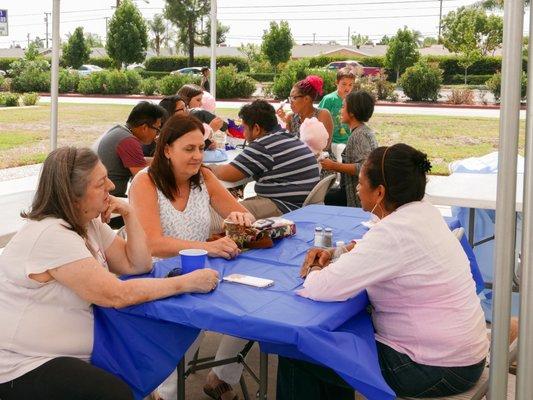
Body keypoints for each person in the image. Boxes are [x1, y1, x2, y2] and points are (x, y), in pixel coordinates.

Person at [0, 147, 219, 400]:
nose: (112, 186)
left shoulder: (87, 223)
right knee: (114, 394)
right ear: (74, 197)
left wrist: (129, 213)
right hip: (21, 366)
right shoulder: (51, 234)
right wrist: (187, 283)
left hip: (61, 356)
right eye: (101, 183)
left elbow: (137, 264)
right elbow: (117, 295)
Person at [277, 144, 489, 399]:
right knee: (336, 341)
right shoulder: (424, 213)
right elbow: (380, 249)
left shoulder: (393, 233)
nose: (356, 187)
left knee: (301, 351)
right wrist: (338, 252)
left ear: (379, 192)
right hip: (463, 356)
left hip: (432, 367)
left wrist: (313, 266)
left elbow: (320, 288)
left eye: (361, 181)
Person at [129, 115, 255, 400]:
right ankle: (164, 392)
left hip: (199, 271)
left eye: (201, 147)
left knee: (251, 304)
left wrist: (239, 219)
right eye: (189, 149)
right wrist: (207, 248)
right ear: (167, 150)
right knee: (187, 331)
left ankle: (221, 377)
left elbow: (244, 215)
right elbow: (152, 244)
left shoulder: (205, 177)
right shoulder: (145, 182)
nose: (198, 155)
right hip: (156, 276)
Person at [208, 100, 320, 219]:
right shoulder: (287, 136)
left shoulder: (263, 145)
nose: (244, 134)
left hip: (285, 208)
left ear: (256, 128)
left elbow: (228, 174)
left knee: (218, 216)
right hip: (304, 206)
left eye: (244, 128)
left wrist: (205, 168)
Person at [94, 101, 166, 197]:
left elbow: (140, 160)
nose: (157, 134)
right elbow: (143, 180)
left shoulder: (119, 131)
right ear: (144, 128)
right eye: (157, 129)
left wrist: (167, 160)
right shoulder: (129, 141)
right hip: (109, 198)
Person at [323, 90, 378, 207]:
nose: (340, 111)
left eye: (343, 107)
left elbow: (364, 167)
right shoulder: (360, 132)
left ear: (352, 112)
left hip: (357, 203)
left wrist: (333, 166)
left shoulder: (359, 135)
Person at [276, 75, 333, 146]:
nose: (290, 101)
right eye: (290, 98)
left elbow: (325, 146)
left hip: (322, 156)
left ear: (306, 99)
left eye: (294, 98)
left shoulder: (322, 115)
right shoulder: (290, 117)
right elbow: (287, 145)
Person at [318, 67, 356, 161]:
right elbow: (319, 119)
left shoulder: (352, 100)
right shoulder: (329, 99)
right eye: (344, 84)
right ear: (336, 83)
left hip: (347, 141)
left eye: (350, 84)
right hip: (331, 142)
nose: (347, 88)